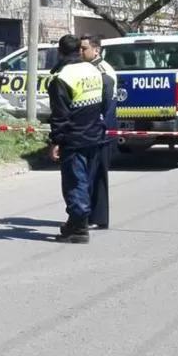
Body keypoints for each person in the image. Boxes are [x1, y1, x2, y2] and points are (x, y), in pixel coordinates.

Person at [47, 34, 106, 244]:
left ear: (60, 51)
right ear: (79, 50)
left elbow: (60, 115)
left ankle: (79, 228)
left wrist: (56, 141)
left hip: (74, 138)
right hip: (94, 134)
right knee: (84, 180)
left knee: (74, 182)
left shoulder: (61, 78)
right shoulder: (93, 70)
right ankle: (74, 223)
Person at [80, 34, 117, 230]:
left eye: (84, 48)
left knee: (96, 174)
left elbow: (107, 102)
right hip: (93, 129)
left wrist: (98, 124)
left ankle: (96, 217)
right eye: (79, 48)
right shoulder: (87, 68)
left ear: (96, 50)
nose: (80, 51)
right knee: (90, 173)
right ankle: (92, 216)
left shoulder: (103, 71)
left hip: (101, 129)